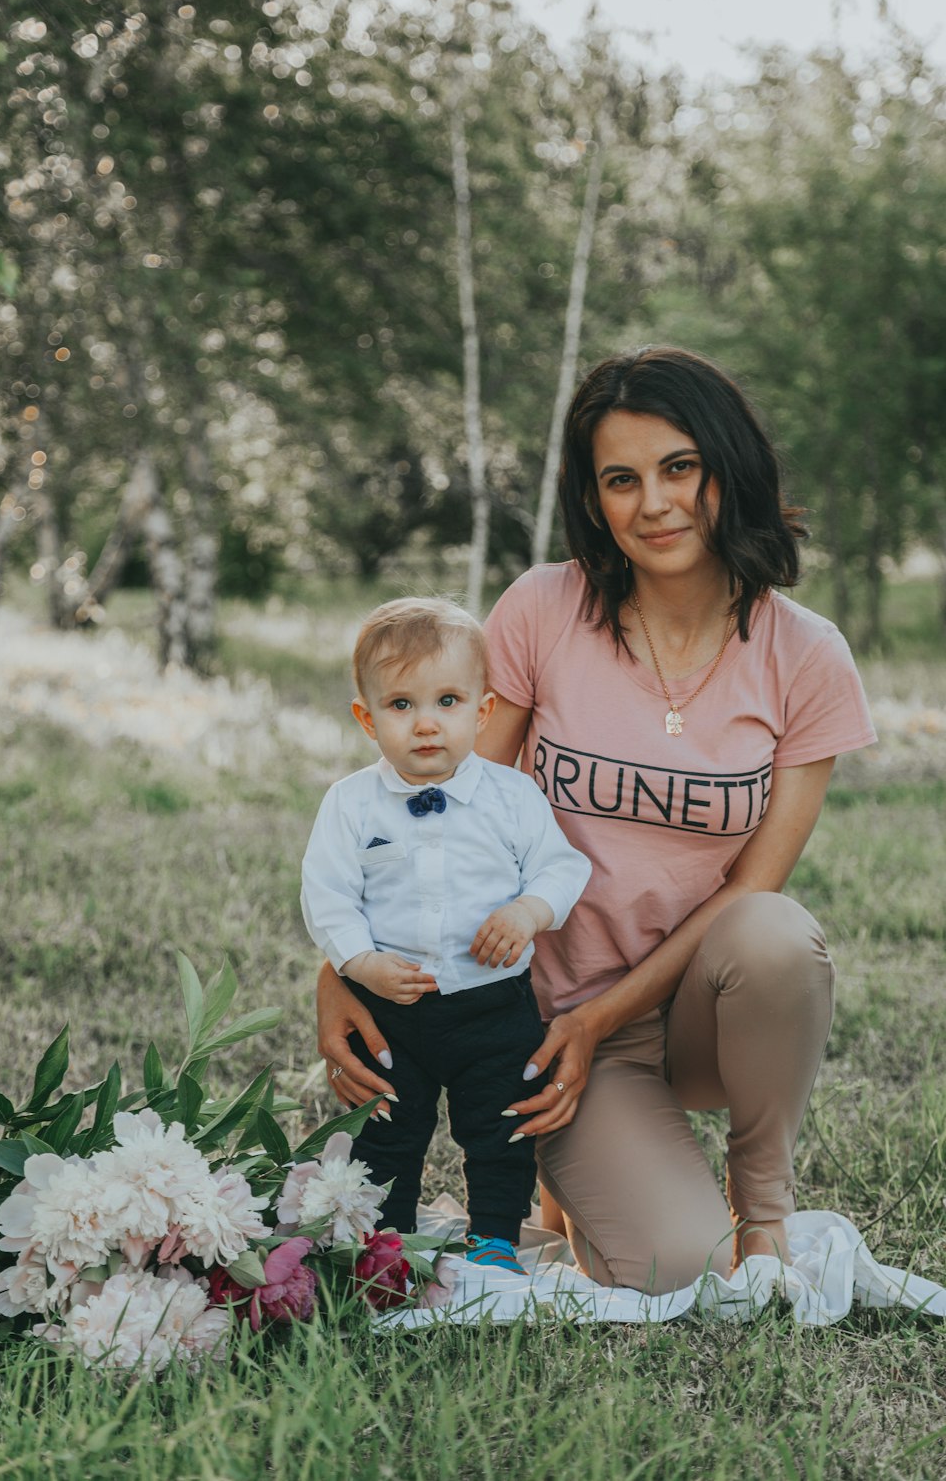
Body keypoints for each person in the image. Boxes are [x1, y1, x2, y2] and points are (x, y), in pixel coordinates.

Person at [316, 347, 877, 1295]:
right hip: (541, 1023)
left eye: (679, 467)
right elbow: (435, 814)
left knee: (777, 934)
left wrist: (608, 1015)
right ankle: (574, 1190)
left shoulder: (806, 654)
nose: (653, 503)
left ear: (727, 469)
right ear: (595, 497)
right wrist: (339, 967)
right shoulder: (544, 609)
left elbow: (754, 885)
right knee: (672, 1267)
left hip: (702, 1007)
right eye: (622, 479)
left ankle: (766, 1215)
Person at [301, 597, 591, 1274]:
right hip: (392, 1007)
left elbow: (560, 866)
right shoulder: (350, 804)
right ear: (367, 719)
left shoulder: (512, 797)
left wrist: (527, 913)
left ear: (483, 712)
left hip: (492, 1005)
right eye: (401, 706)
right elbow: (328, 896)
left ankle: (493, 1234)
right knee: (387, 1124)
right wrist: (360, 963)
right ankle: (387, 1238)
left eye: (449, 701)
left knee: (500, 1124)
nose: (426, 723)